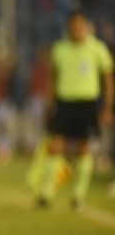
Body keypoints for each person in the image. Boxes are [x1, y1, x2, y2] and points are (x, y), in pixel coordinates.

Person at [35, 11, 114, 209]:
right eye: (73, 25)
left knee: (83, 149)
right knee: (55, 146)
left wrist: (108, 107)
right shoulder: (60, 49)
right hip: (64, 103)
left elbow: (107, 80)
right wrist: (49, 105)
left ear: (87, 26)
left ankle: (78, 195)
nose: (77, 29)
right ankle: (47, 193)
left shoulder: (97, 49)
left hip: (87, 103)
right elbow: (53, 80)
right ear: (69, 28)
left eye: (80, 25)